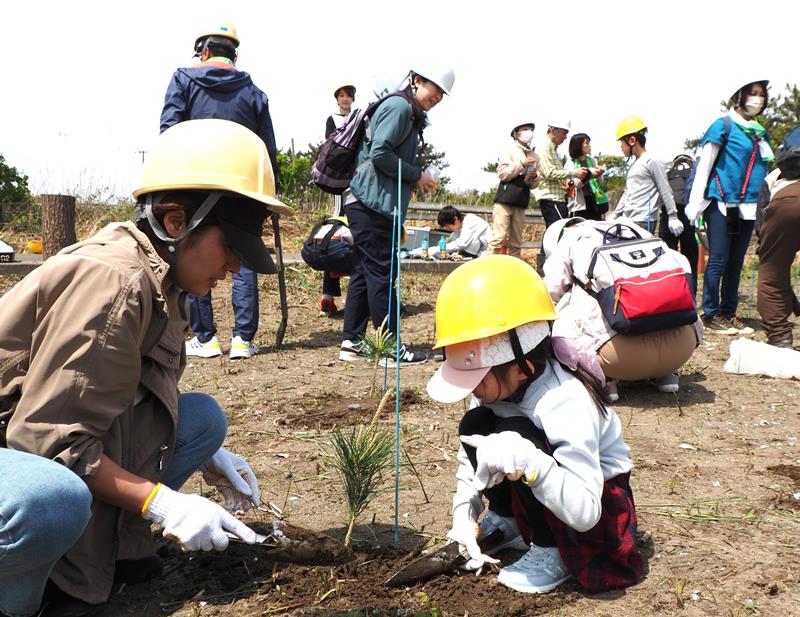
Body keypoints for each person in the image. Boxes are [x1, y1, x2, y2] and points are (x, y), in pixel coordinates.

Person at [0, 119, 291, 617]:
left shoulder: (165, 281)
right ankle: (30, 595)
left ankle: (113, 552)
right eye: (231, 248)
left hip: (39, 443)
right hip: (20, 456)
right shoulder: (114, 282)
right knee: (53, 499)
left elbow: (129, 397)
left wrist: (206, 456)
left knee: (202, 422)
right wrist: (164, 504)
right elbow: (46, 440)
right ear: (177, 222)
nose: (237, 268)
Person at [426, 255, 642, 594]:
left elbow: (587, 511)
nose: (472, 388)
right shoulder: (498, 384)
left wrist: (530, 463)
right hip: (548, 489)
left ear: (522, 365)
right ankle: (509, 521)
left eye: (477, 376)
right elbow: (472, 458)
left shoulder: (564, 400)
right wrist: (464, 517)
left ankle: (550, 548)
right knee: (478, 422)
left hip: (594, 508)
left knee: (516, 435)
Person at [161, 22, 281, 359]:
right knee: (240, 254)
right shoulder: (255, 91)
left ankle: (205, 337)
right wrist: (272, 194)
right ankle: (243, 340)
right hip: (243, 189)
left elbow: (169, 130)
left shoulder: (183, 79)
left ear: (205, 51)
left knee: (196, 252)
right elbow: (267, 149)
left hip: (196, 184)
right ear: (234, 54)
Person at [339, 66, 455, 365]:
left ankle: (352, 342)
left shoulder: (408, 111)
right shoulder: (399, 106)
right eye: (435, 89)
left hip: (371, 200)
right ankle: (391, 347)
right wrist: (418, 176)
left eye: (443, 94)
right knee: (381, 272)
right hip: (370, 202)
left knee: (365, 271)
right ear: (417, 80)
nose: (438, 97)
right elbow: (380, 153)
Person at [542, 217, 702, 401]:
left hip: (619, 361)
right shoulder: (635, 229)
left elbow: (551, 292)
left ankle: (606, 380)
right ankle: (666, 374)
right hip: (682, 349)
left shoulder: (571, 239)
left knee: (563, 307)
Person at [685, 79, 773, 336]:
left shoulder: (757, 132)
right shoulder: (723, 126)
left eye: (761, 95)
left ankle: (728, 312)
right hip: (724, 202)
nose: (757, 99)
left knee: (736, 263)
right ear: (740, 96)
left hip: (747, 207)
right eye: (752, 94)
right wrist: (694, 204)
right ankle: (710, 313)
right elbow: (705, 166)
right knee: (719, 260)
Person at [756, 125, 800, 348]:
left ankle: (780, 336)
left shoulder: (793, 136)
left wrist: (763, 243)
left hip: (788, 198)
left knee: (771, 270)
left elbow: (762, 208)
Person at [319, 82, 357, 317]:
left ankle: (354, 295)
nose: (345, 99)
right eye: (341, 96)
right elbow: (331, 145)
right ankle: (327, 296)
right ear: (337, 99)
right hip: (339, 182)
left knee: (355, 236)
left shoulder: (358, 117)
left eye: (348, 95)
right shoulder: (332, 119)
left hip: (357, 179)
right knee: (337, 232)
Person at [615, 116, 684, 239]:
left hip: (644, 221)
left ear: (632, 140)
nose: (621, 147)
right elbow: (627, 194)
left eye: (622, 143)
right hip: (627, 220)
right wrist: (615, 215)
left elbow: (665, 189)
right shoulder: (633, 166)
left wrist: (673, 216)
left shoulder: (653, 161)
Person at [488, 123, 539, 257]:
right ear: (516, 133)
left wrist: (534, 177)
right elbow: (502, 174)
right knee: (498, 238)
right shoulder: (509, 150)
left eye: (531, 130)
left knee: (516, 242)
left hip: (521, 201)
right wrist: (521, 164)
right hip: (505, 200)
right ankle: (487, 267)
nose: (529, 132)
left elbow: (534, 184)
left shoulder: (534, 155)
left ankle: (513, 272)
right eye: (525, 129)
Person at [533, 120, 589, 228]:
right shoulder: (543, 147)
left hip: (557, 198)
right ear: (553, 130)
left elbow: (553, 173)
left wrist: (565, 183)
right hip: (551, 198)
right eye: (564, 133)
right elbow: (548, 173)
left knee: (557, 234)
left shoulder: (552, 149)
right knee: (559, 232)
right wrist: (574, 173)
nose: (566, 137)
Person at [658, 154, 700, 297]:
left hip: (667, 215)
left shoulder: (668, 174)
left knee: (668, 260)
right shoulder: (693, 174)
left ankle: (669, 298)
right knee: (690, 260)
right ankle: (691, 298)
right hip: (687, 214)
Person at [565, 133, 608, 220]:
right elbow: (572, 186)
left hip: (594, 201)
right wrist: (589, 175)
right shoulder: (570, 164)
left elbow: (599, 184)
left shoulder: (592, 160)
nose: (589, 145)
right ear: (578, 145)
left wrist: (599, 174)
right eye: (586, 143)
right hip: (578, 205)